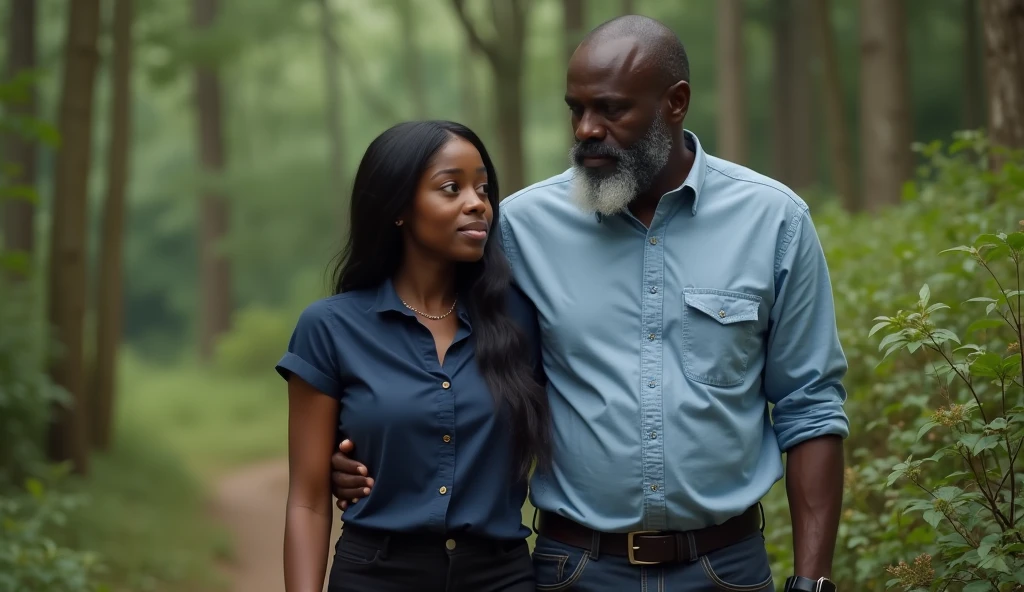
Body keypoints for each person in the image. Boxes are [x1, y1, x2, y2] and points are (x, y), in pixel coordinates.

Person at [329, 15, 849, 592]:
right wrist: (360, 443)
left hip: (725, 567)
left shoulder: (774, 222)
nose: (585, 129)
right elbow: (430, 343)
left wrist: (813, 580)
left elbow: (811, 407)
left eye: (611, 110)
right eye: (575, 109)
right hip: (573, 570)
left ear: (675, 104)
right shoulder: (519, 228)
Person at [276, 120, 552, 592]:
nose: (477, 203)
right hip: (375, 575)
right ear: (400, 207)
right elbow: (307, 498)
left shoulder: (521, 320)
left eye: (483, 189)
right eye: (452, 188)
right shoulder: (330, 328)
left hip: (500, 577)